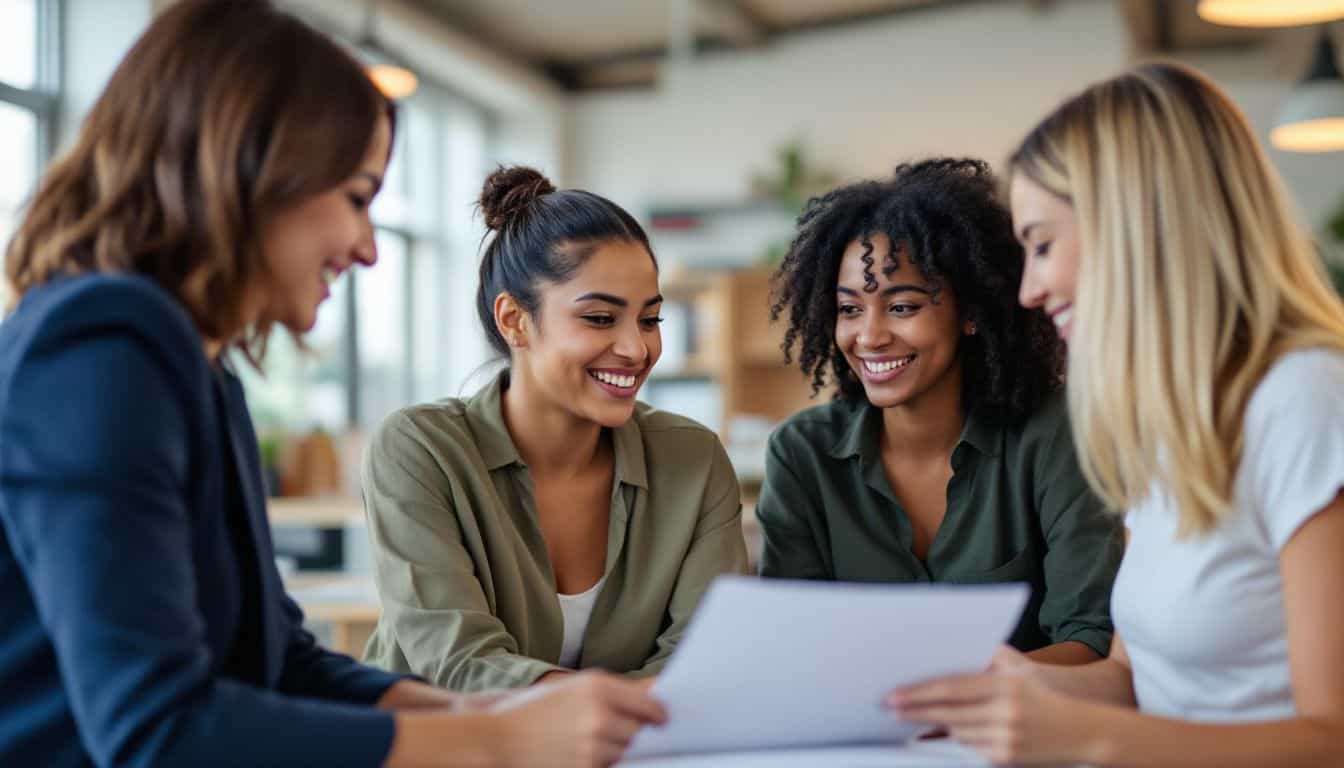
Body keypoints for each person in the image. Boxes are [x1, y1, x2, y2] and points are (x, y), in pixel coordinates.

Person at [0, 3, 663, 766]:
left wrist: (495, 709)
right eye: (355, 197)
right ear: (246, 168)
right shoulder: (102, 346)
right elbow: (158, 729)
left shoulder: (200, 370)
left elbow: (279, 660)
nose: (369, 249)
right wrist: (500, 739)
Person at [889, 62, 1344, 766]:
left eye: (1041, 246)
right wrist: (1010, 684)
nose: (1031, 290)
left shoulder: (1307, 399)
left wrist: (1089, 740)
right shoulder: (1166, 425)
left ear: (1134, 227)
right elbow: (1137, 681)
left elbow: (1332, 738)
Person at [361, 165, 750, 692]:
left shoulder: (693, 458)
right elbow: (460, 663)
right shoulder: (420, 449)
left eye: (650, 319)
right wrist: (619, 706)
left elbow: (711, 657)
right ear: (515, 320)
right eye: (599, 318)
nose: (637, 349)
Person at [758, 158, 1122, 662]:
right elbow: (789, 644)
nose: (869, 336)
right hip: (851, 736)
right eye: (849, 309)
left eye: (902, 306)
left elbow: (1089, 638)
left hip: (1024, 730)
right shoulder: (802, 454)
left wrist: (938, 695)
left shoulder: (1055, 432)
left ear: (970, 312)